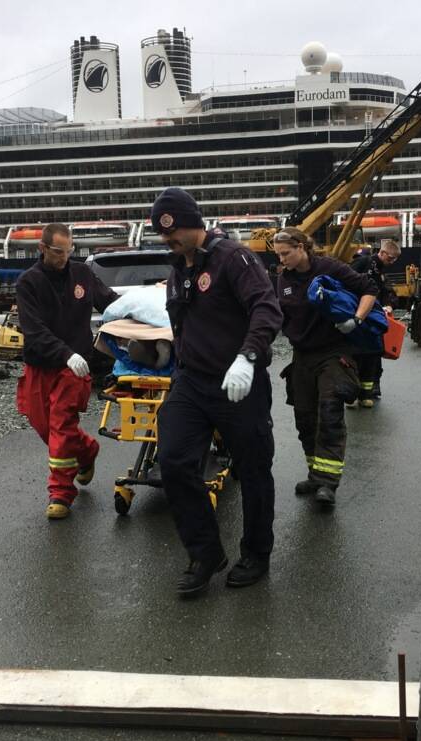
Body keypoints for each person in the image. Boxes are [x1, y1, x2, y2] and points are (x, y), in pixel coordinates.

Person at [151, 187, 283, 597]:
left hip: (237, 382)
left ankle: (256, 553)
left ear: (195, 223)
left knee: (254, 469)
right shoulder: (178, 270)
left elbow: (266, 308)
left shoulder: (235, 259)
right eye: (163, 233)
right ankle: (205, 552)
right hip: (191, 382)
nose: (168, 238)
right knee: (172, 461)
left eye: (175, 230)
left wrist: (248, 356)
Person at [15, 223, 119, 519]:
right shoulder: (28, 283)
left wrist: (139, 309)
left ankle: (61, 493)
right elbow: (34, 330)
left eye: (69, 251)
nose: (64, 257)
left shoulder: (82, 275)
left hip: (74, 369)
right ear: (43, 249)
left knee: (61, 425)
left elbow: (108, 302)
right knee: (43, 426)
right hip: (41, 365)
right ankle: (87, 451)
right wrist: (64, 353)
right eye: (59, 252)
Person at [273, 227, 378, 506]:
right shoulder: (283, 279)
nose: (282, 260)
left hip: (333, 352)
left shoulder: (329, 268)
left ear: (301, 248)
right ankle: (316, 474)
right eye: (278, 255)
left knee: (329, 413)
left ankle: (329, 484)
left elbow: (369, 290)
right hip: (302, 356)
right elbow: (277, 315)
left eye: (286, 254)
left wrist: (355, 319)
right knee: (305, 418)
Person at [350, 239, 400, 406]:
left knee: (374, 353)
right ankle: (354, 391)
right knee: (358, 353)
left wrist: (389, 304)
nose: (392, 262)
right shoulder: (363, 263)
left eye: (394, 260)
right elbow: (348, 282)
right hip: (361, 313)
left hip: (373, 314)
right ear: (383, 253)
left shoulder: (380, 270)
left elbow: (384, 290)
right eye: (391, 258)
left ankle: (369, 390)